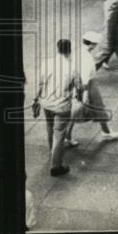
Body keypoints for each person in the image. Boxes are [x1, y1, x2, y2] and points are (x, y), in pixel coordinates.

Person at [33, 38, 82, 176]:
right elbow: (79, 87)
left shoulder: (46, 63)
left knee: (49, 127)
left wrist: (35, 100)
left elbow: (40, 83)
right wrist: (78, 96)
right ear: (69, 51)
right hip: (62, 106)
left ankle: (52, 151)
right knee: (59, 134)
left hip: (46, 103)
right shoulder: (73, 68)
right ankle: (56, 166)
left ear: (57, 49)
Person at [66, 31, 118, 146]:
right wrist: (85, 94)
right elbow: (85, 78)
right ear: (92, 45)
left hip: (81, 84)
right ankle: (67, 136)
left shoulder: (78, 52)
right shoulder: (87, 58)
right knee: (83, 110)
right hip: (87, 86)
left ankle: (105, 131)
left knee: (97, 108)